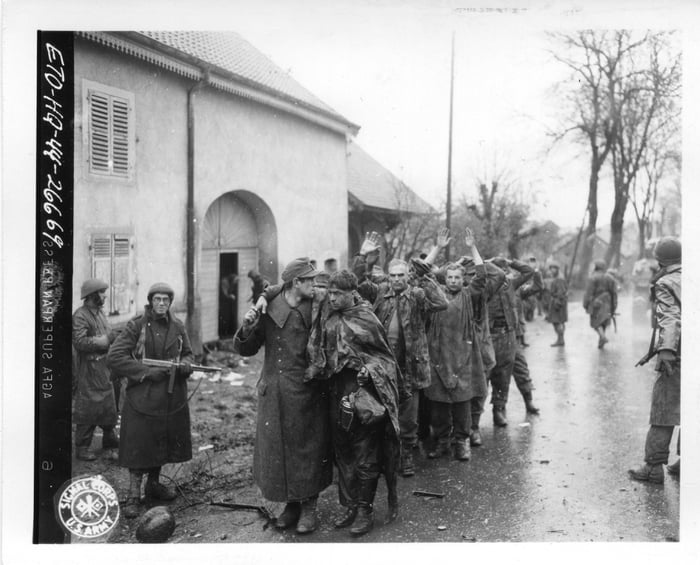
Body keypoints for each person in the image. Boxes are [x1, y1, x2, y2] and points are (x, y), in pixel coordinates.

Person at [233, 258, 332, 534]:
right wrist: (247, 326)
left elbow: (341, 288)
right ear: (296, 282)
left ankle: (309, 507)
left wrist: (267, 291)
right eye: (309, 280)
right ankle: (291, 505)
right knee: (280, 450)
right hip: (274, 393)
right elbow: (247, 349)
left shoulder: (316, 305)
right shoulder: (268, 308)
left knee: (307, 449)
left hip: (306, 390)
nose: (314, 284)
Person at [306, 270, 401, 536]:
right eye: (331, 293)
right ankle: (349, 506)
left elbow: (385, 359)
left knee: (365, 454)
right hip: (335, 392)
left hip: (362, 393)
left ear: (351, 293)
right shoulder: (327, 315)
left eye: (338, 294)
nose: (332, 298)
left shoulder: (366, 317)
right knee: (344, 453)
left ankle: (365, 510)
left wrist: (368, 370)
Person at [353, 232, 448, 477]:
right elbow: (357, 281)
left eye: (401, 275)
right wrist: (363, 255)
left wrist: (425, 275)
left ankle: (406, 456)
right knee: (381, 413)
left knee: (408, 419)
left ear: (408, 277)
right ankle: (384, 457)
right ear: (388, 276)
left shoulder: (416, 295)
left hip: (410, 367)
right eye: (393, 275)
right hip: (384, 366)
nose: (396, 280)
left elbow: (441, 303)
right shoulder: (379, 292)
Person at [107, 283, 195, 518]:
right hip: (142, 396)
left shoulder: (177, 326)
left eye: (166, 299)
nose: (162, 303)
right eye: (157, 299)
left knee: (162, 442)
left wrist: (186, 364)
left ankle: (153, 485)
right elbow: (115, 356)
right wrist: (145, 372)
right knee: (138, 445)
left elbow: (188, 352)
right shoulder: (137, 325)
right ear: (150, 300)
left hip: (169, 395)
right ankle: (133, 496)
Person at [425, 229, 489, 461]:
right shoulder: (435, 293)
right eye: (450, 277)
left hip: (463, 356)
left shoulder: (468, 295)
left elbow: (482, 274)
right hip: (439, 354)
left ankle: (461, 442)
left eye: (457, 278)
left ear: (463, 280)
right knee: (439, 405)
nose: (453, 281)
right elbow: (419, 273)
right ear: (444, 279)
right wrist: (438, 247)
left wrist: (472, 247)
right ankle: (443, 442)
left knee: (462, 403)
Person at [629, 236, 681, 483]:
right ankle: (688, 461)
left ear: (659, 259)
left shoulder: (665, 283)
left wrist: (667, 350)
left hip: (678, 355)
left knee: (664, 409)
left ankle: (653, 468)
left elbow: (670, 317)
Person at [72, 278, 119, 461]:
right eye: (101, 292)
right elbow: (79, 342)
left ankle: (109, 437)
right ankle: (82, 447)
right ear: (92, 295)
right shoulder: (81, 315)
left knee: (109, 402)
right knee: (88, 406)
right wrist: (104, 341)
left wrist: (113, 336)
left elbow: (107, 333)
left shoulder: (99, 313)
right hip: (89, 368)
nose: (105, 295)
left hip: (104, 366)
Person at [486, 256, 534, 426]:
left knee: (503, 375)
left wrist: (511, 261)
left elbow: (529, 271)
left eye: (505, 271)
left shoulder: (511, 284)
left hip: (508, 334)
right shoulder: (484, 285)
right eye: (499, 271)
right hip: (487, 335)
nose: (503, 274)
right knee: (483, 375)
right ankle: (473, 420)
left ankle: (498, 410)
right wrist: (485, 262)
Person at [583, 260, 618, 349]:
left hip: (596, 303)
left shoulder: (592, 278)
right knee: (603, 321)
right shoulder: (610, 278)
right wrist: (614, 305)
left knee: (595, 322)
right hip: (607, 302)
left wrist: (586, 304)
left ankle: (602, 337)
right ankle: (601, 340)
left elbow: (588, 293)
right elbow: (614, 293)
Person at [545, 261, 568, 346]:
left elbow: (561, 292)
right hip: (558, 301)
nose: (551, 271)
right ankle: (560, 339)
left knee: (557, 322)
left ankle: (560, 340)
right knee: (558, 322)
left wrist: (557, 302)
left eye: (553, 269)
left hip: (558, 303)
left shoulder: (559, 279)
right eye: (551, 269)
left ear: (557, 269)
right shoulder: (558, 278)